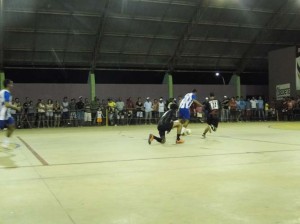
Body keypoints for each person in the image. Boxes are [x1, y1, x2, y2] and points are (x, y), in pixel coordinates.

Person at [0, 79, 21, 148]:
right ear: (8, 85)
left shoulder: (3, 92)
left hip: (6, 114)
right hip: (1, 114)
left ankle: (5, 142)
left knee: (12, 126)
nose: (12, 85)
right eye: (11, 84)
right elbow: (6, 104)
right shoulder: (6, 92)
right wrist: (16, 108)